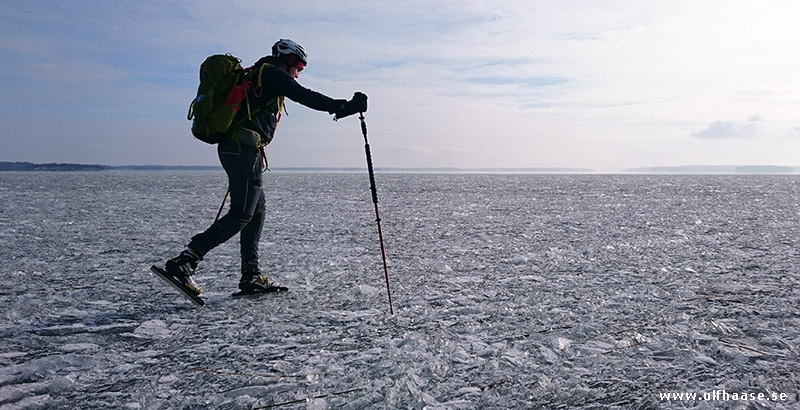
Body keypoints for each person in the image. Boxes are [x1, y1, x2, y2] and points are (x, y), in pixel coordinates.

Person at [159, 39, 368, 295]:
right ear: (287, 59)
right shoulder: (270, 73)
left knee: (256, 211)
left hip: (244, 149)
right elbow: (304, 95)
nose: (300, 70)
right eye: (299, 65)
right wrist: (343, 106)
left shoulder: (262, 73)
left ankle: (251, 276)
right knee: (241, 213)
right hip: (241, 149)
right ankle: (186, 261)